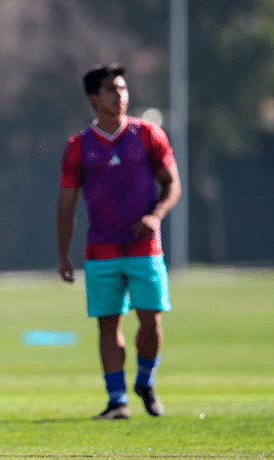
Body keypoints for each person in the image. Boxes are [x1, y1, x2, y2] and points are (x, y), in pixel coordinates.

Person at [56, 64, 181, 420]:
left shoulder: (148, 135)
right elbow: (67, 204)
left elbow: (172, 184)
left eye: (123, 88)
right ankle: (117, 401)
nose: (120, 95)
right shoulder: (79, 147)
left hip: (144, 248)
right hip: (101, 251)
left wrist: (156, 216)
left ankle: (145, 381)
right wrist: (63, 255)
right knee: (108, 325)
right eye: (111, 90)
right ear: (94, 99)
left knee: (151, 321)